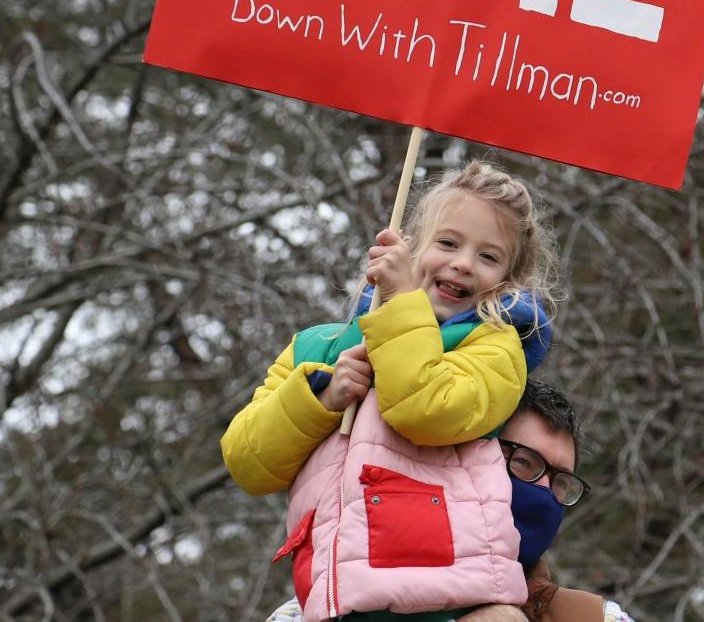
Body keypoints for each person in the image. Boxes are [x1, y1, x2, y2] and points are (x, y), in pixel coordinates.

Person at [224, 160, 558, 622]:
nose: (463, 263)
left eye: (488, 256)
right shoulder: (317, 346)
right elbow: (248, 464)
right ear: (409, 247)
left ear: (507, 279)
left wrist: (403, 303)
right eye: (447, 243)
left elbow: (426, 411)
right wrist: (321, 400)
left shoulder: (495, 347)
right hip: (339, 594)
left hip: (447, 594)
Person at [267, 380, 635, 622]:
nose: (542, 492)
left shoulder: (594, 618)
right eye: (524, 463)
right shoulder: (319, 611)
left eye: (559, 482)